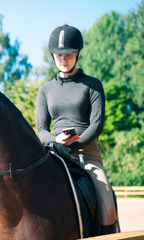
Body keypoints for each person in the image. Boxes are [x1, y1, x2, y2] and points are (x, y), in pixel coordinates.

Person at [36, 24, 118, 234]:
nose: (63, 59)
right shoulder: (45, 90)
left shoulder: (92, 85)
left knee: (107, 206)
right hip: (55, 153)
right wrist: (55, 141)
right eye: (59, 54)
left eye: (69, 54)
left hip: (86, 153)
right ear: (52, 55)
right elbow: (41, 129)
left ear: (78, 53)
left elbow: (96, 125)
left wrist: (77, 142)